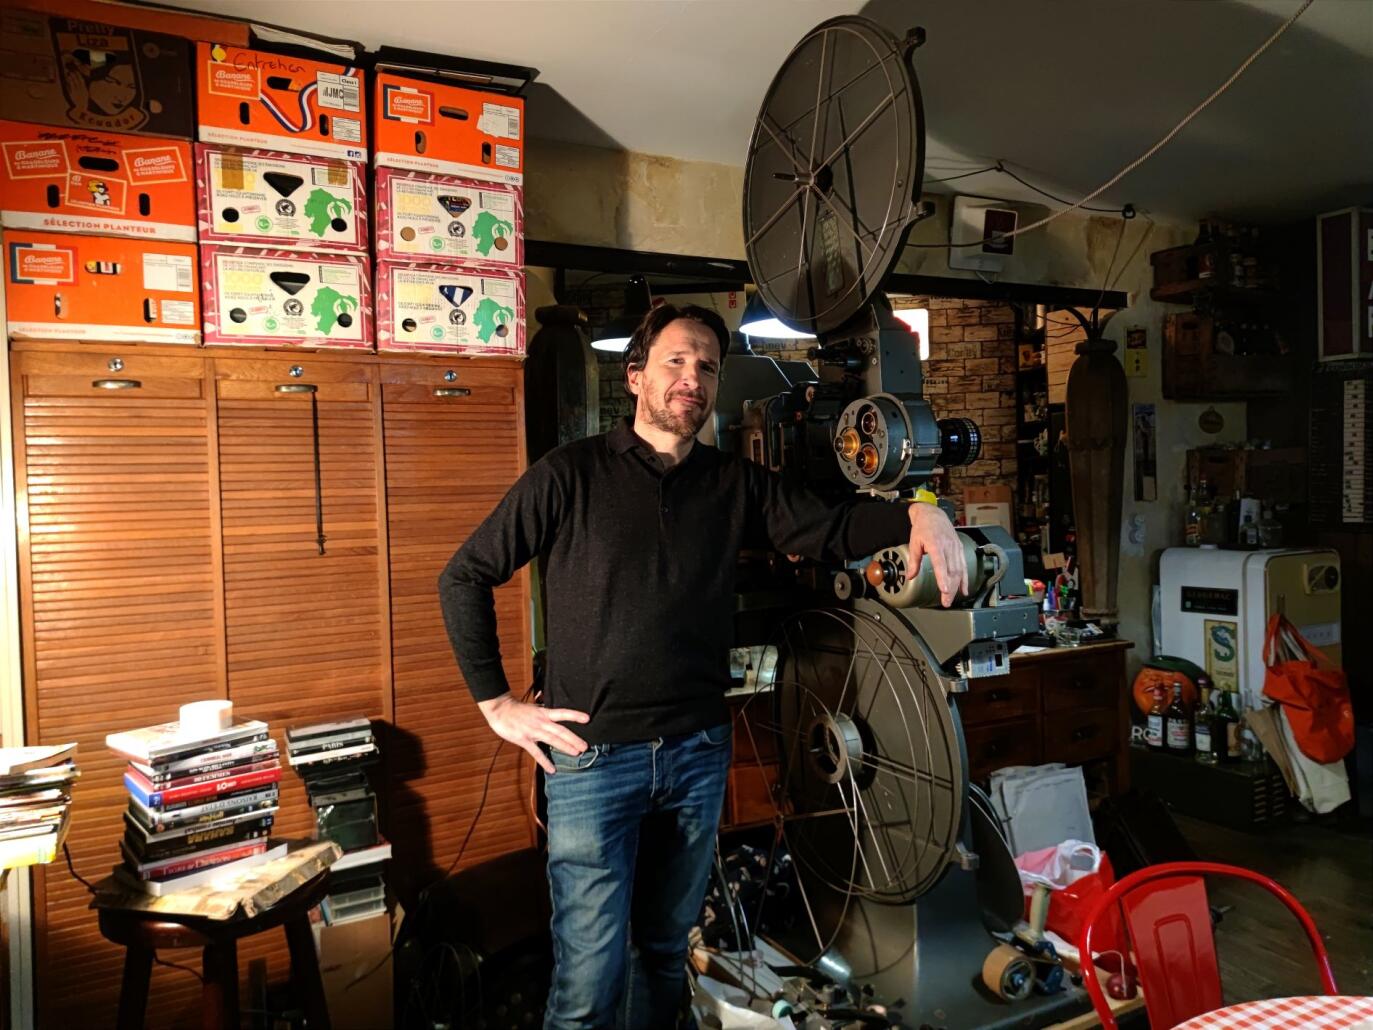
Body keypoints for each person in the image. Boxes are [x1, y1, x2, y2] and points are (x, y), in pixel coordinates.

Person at [439, 303, 968, 1030]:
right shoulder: (569, 474)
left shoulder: (733, 482)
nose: (693, 377)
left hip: (695, 751)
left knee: (664, 952)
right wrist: (496, 703)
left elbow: (830, 528)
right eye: (676, 361)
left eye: (708, 367)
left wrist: (917, 511)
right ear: (635, 377)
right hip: (592, 760)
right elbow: (464, 575)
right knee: (589, 983)